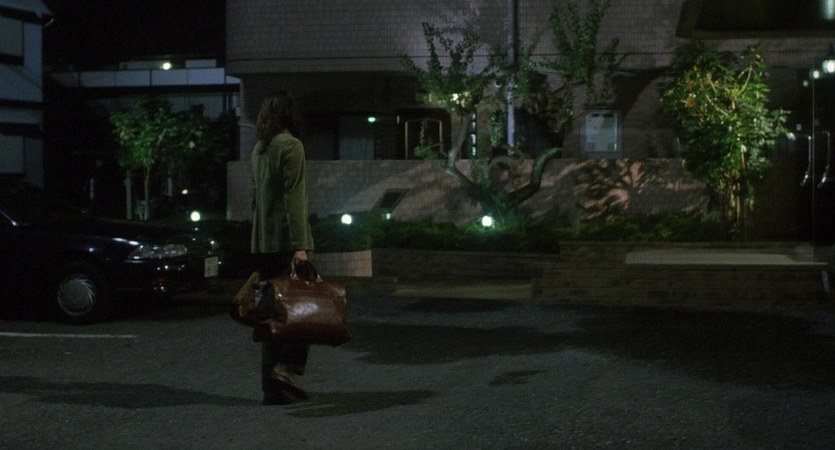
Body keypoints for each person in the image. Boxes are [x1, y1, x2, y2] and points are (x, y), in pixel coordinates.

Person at [250, 90, 315, 405]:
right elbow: (294, 200)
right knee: (305, 306)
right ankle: (287, 370)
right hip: (286, 241)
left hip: (263, 241)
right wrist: (300, 246)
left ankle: (272, 388)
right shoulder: (291, 146)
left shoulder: (259, 149)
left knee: (271, 314)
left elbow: (256, 198)